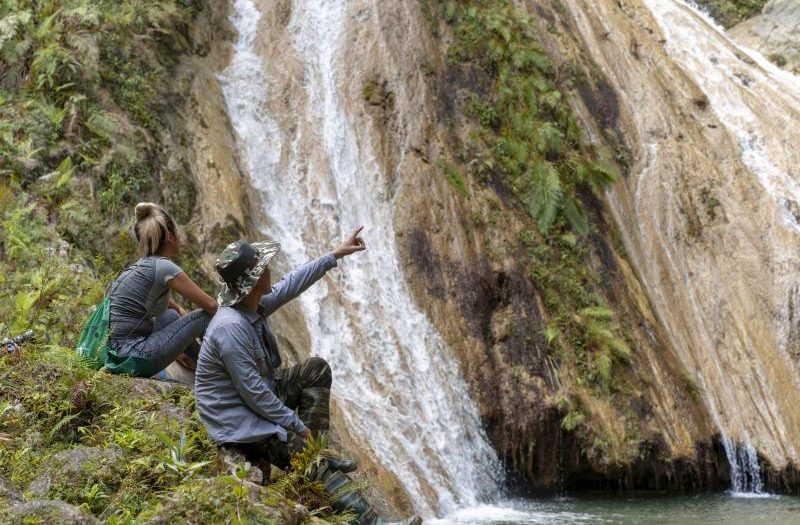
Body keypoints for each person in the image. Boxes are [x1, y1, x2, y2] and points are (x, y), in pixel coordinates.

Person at [195, 230, 421, 525]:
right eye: (264, 266)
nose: (270, 269)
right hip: (239, 423)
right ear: (254, 280)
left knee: (316, 369)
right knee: (307, 456)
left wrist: (335, 255)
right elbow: (255, 395)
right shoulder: (230, 328)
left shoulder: (251, 305)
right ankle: (369, 518)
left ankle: (319, 452)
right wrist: (298, 428)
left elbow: (292, 284)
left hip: (255, 399)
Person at [105, 203, 217, 377]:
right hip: (133, 357)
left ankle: (199, 364)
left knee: (171, 316)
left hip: (116, 354)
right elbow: (212, 306)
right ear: (171, 237)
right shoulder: (165, 267)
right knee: (203, 317)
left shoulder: (140, 267)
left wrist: (178, 309)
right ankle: (215, 370)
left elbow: (151, 303)